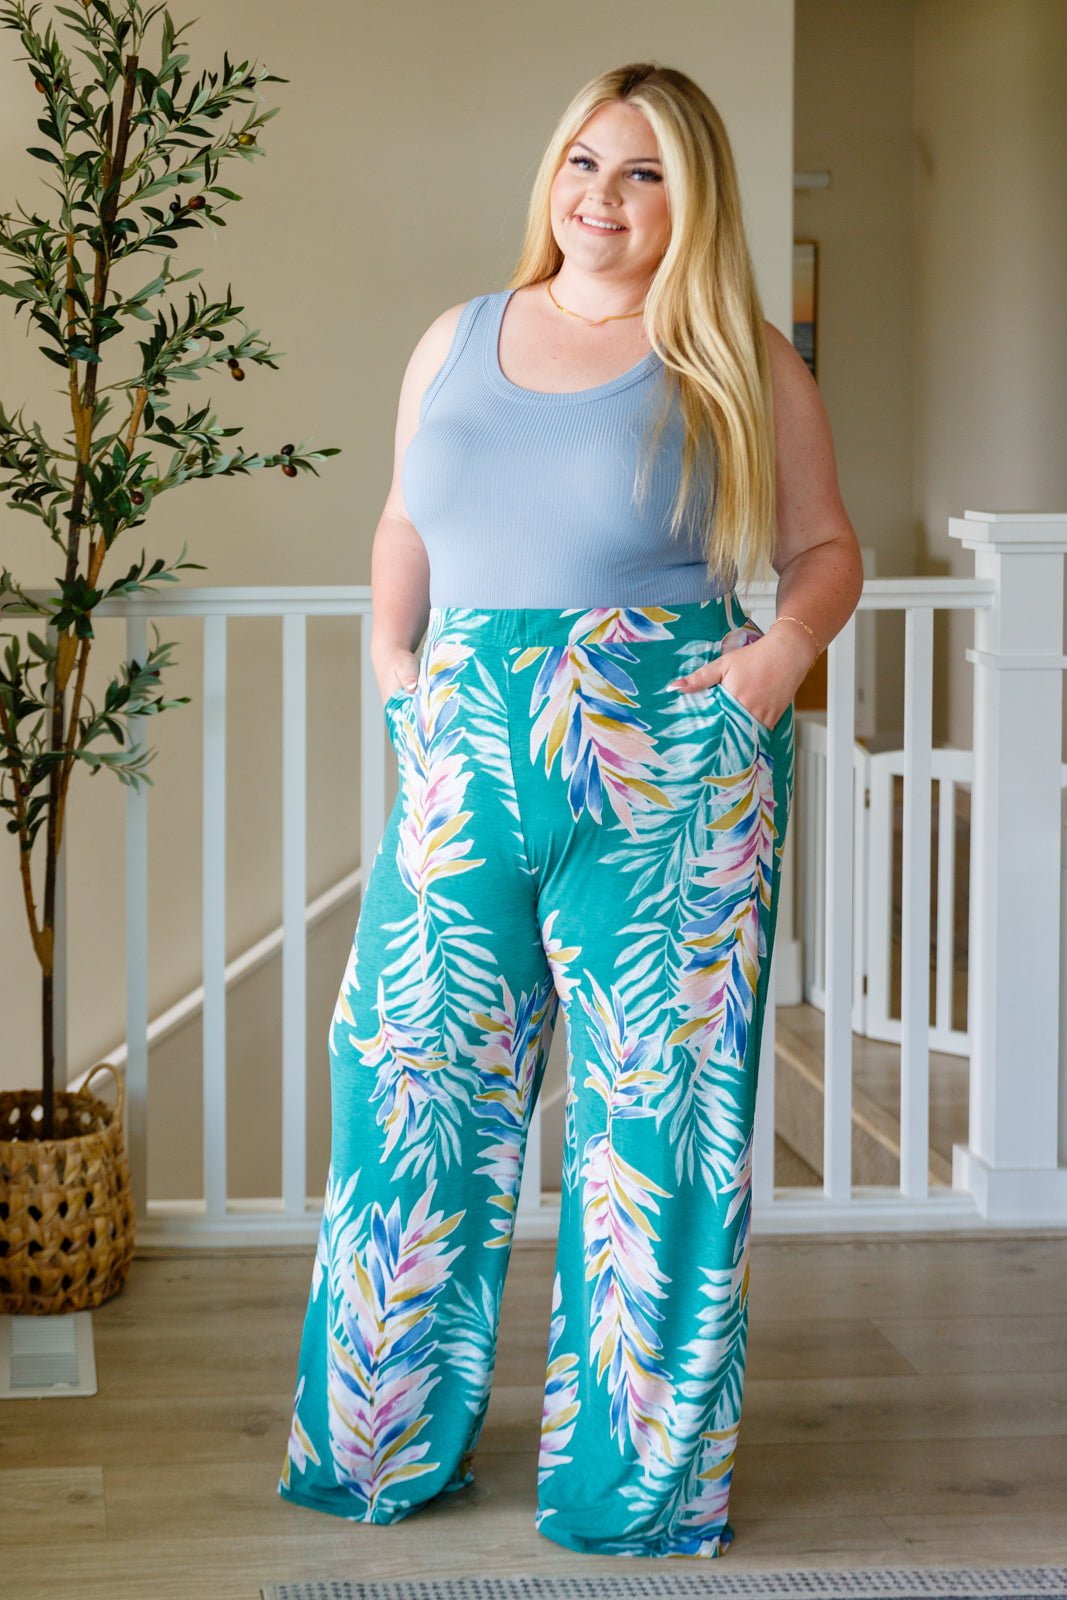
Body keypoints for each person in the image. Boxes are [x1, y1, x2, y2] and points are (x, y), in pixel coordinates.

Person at [278, 61, 863, 1558]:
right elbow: (405, 517)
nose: (603, 195)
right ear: (554, 175)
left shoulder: (736, 356)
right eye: (585, 161)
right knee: (406, 1089)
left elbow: (824, 548)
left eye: (645, 171)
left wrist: (778, 659)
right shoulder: (455, 338)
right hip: (465, 756)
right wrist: (397, 667)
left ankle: (635, 1493)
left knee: (659, 1132)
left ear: (693, 199)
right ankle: (375, 1448)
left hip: (673, 767)